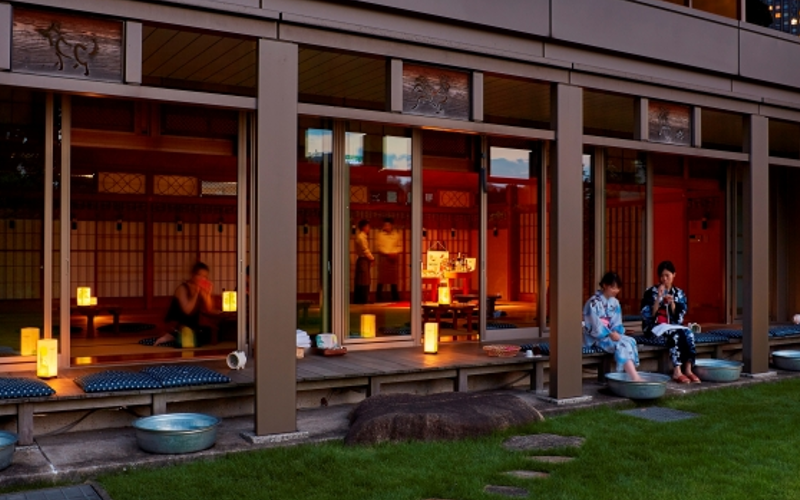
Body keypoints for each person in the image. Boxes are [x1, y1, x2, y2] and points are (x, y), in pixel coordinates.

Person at [641, 260, 699, 384]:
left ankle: (688, 369)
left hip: (672, 326)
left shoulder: (679, 293)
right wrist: (659, 298)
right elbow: (648, 315)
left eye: (667, 275)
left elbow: (679, 319)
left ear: (674, 275)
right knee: (674, 334)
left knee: (689, 333)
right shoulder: (650, 292)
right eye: (662, 276)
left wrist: (672, 304)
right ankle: (677, 370)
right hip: (654, 328)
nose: (664, 279)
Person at [583, 271, 642, 381]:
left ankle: (629, 374)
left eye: (617, 288)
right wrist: (609, 334)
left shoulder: (615, 303)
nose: (616, 291)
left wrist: (616, 333)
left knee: (631, 341)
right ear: (605, 285)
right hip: (596, 337)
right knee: (621, 345)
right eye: (613, 287)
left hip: (611, 334)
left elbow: (616, 323)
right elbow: (594, 324)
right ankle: (634, 377)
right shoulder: (593, 302)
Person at [155, 262, 218, 347]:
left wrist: (208, 294)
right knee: (192, 336)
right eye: (199, 275)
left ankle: (176, 338)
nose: (202, 279)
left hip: (192, 326)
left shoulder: (200, 289)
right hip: (177, 325)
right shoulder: (182, 288)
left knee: (212, 332)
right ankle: (171, 336)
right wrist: (196, 293)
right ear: (193, 275)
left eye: (205, 277)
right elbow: (187, 311)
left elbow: (209, 309)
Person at [375, 218, 402, 302]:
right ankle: (378, 296)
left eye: (388, 225)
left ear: (391, 226)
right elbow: (379, 247)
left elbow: (400, 246)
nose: (386, 227)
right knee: (381, 278)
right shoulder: (380, 235)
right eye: (385, 225)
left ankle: (395, 296)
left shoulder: (396, 235)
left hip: (393, 258)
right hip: (384, 257)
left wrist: (395, 252)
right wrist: (387, 253)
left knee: (393, 279)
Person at [353, 220, 374, 304]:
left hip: (362, 259)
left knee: (362, 280)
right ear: (363, 227)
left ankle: (361, 299)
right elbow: (365, 250)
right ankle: (363, 299)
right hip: (363, 259)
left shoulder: (361, 236)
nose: (369, 228)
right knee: (364, 280)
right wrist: (372, 258)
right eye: (368, 226)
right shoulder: (361, 237)